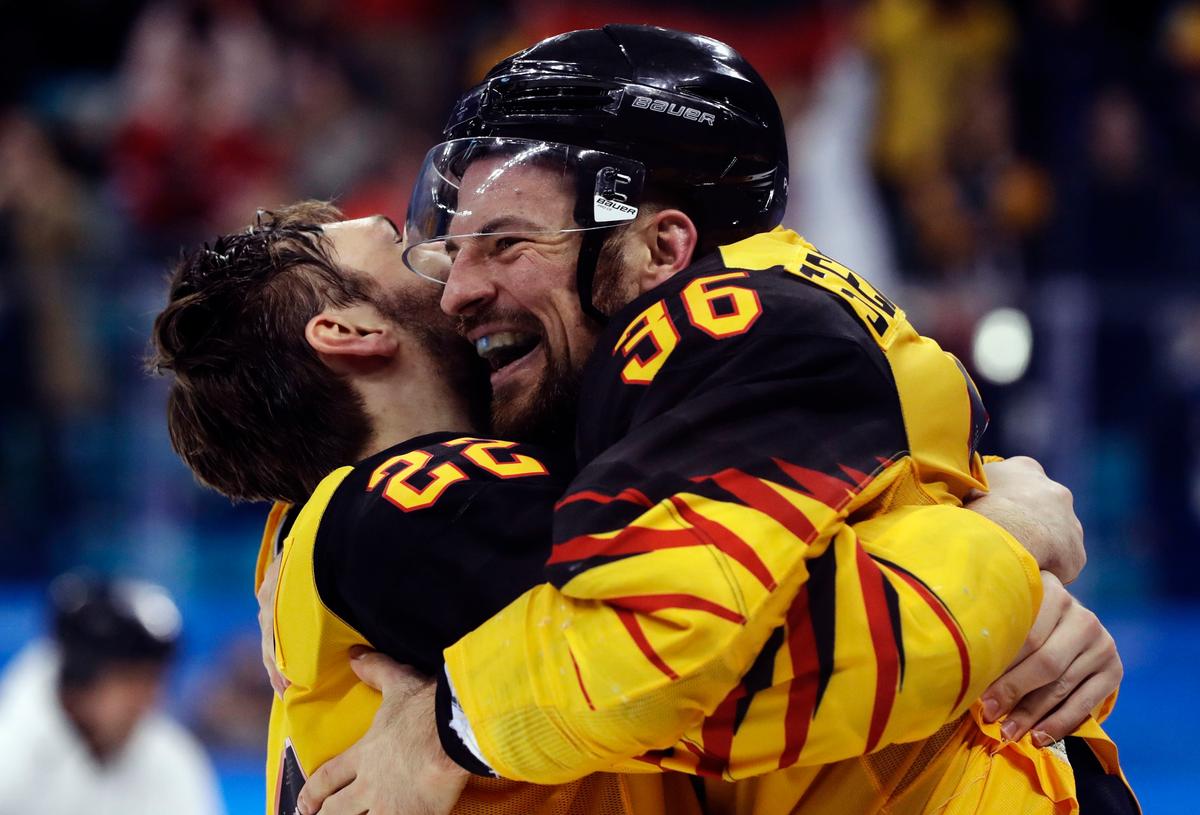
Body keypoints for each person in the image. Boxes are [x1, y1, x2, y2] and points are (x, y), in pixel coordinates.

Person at [298, 24, 1137, 815]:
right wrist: (1010, 539)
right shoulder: (740, 335)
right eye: (451, 251)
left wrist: (449, 726)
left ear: (662, 249)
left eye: (507, 244)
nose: (456, 293)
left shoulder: (724, 320)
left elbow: (667, 666)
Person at [152, 202, 704, 815]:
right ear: (350, 331)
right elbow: (690, 620)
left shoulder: (327, 524)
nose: (449, 256)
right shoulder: (415, 502)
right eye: (400, 242)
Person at [0, 572, 225, 815]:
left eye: (154, 680)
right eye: (130, 680)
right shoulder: (9, 758)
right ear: (78, 681)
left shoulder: (173, 759)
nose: (149, 699)